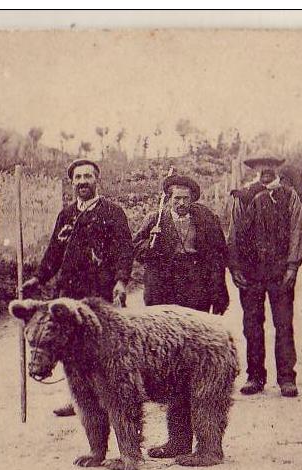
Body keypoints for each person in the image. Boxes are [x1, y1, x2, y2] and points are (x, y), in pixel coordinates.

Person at [22, 158, 134, 416]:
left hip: (100, 292)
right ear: (72, 182)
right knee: (68, 345)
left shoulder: (112, 212)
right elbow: (54, 252)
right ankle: (78, 399)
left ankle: (107, 396)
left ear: (97, 180)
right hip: (68, 293)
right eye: (78, 178)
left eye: (88, 176)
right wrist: (39, 278)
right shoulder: (66, 215)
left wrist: (120, 281)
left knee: (101, 345)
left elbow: (124, 250)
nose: (82, 182)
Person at [229, 153, 302, 398]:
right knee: (252, 325)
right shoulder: (243, 196)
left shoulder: (289, 195)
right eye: (260, 167)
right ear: (254, 170)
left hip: (280, 272)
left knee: (283, 324)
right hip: (251, 273)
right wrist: (236, 268)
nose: (265, 171)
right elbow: (233, 234)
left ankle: (286, 378)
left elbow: (297, 230)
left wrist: (292, 266)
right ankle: (255, 376)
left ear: (277, 169)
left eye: (270, 167)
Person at [132, 173, 228, 314]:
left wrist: (219, 293)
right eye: (177, 198)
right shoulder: (155, 219)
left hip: (196, 283)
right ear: (169, 199)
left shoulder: (206, 219)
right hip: (164, 284)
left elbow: (218, 256)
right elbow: (136, 249)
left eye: (185, 198)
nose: (181, 203)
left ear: (192, 199)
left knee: (196, 326)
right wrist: (151, 242)